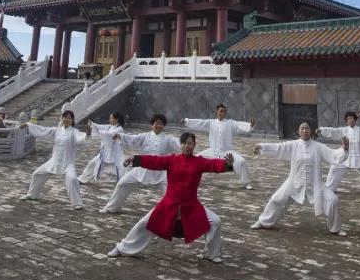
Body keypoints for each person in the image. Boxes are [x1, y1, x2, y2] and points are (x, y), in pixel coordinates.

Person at [107, 132, 233, 264]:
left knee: (215, 221)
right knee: (144, 224)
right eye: (184, 143)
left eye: (190, 143)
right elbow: (155, 161)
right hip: (170, 204)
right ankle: (122, 248)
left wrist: (227, 164)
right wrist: (136, 159)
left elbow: (213, 164)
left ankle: (211, 254)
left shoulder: (199, 162)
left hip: (191, 206)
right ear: (180, 145)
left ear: (194, 145)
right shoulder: (172, 160)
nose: (187, 146)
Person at [250, 121, 348, 236]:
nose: (304, 131)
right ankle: (263, 221)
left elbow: (333, 155)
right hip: (294, 183)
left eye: (307, 128)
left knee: (333, 200)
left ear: (310, 131)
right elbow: (279, 148)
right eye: (302, 128)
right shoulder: (293, 145)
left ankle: (336, 228)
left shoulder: (318, 147)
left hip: (315, 185)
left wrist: (344, 149)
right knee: (276, 199)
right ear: (298, 131)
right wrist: (262, 147)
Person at [100, 114, 180, 213]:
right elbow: (132, 139)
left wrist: (186, 144)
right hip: (143, 168)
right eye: (156, 123)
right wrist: (120, 136)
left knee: (172, 193)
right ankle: (111, 208)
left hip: (161, 172)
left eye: (161, 124)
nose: (159, 126)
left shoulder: (168, 139)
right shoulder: (145, 136)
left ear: (164, 126)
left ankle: (178, 215)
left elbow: (179, 143)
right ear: (152, 124)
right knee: (122, 184)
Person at [20, 110, 87, 208]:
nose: (67, 119)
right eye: (65, 117)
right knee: (37, 174)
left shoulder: (74, 132)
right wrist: (28, 125)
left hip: (68, 163)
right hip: (54, 161)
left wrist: (86, 134)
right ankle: (32, 195)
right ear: (62, 118)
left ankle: (77, 203)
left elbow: (80, 139)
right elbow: (43, 130)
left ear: (72, 120)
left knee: (72, 179)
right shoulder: (57, 130)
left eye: (69, 118)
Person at [182, 104, 254, 189]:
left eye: (224, 111)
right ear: (216, 112)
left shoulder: (230, 123)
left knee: (241, 161)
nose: (223, 113)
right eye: (221, 111)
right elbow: (200, 123)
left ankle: (246, 183)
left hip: (227, 152)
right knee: (195, 159)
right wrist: (187, 121)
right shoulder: (211, 123)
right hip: (212, 152)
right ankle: (187, 179)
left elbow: (239, 125)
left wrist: (250, 125)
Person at [318, 109, 360, 195]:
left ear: (355, 119)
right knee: (334, 169)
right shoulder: (344, 130)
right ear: (346, 121)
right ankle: (329, 189)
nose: (350, 120)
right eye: (348, 119)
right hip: (346, 159)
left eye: (351, 118)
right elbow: (333, 131)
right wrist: (322, 130)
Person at [79, 112, 125, 185]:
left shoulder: (119, 129)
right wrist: (92, 124)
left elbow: (110, 135)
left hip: (115, 155)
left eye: (111, 118)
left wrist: (98, 131)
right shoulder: (110, 127)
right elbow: (100, 126)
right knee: (92, 164)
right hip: (105, 154)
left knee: (121, 170)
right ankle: (82, 180)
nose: (109, 120)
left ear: (116, 119)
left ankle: (126, 183)